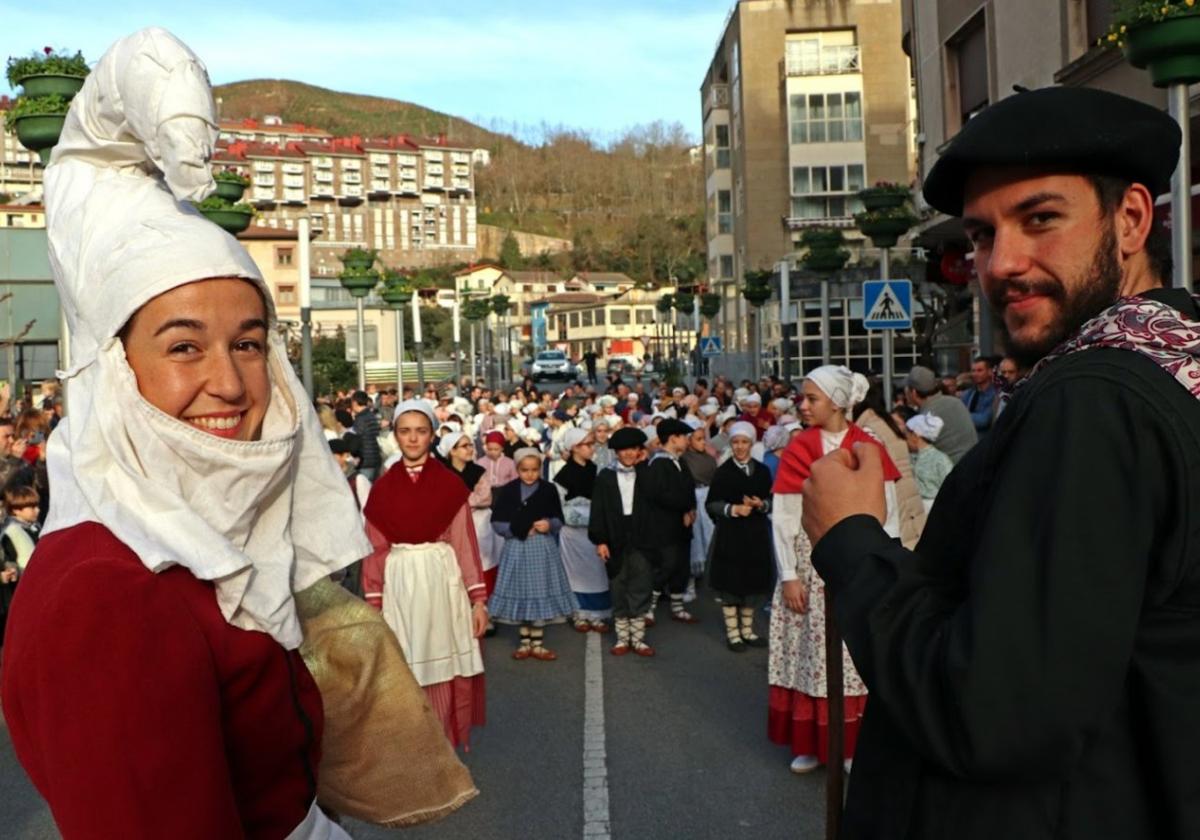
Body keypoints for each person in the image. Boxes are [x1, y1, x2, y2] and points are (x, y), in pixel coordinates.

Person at [0, 29, 374, 838]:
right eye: (182, 346)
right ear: (116, 370)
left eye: (248, 341)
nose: (232, 383)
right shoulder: (110, 596)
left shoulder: (197, 535)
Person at [802, 86, 1200, 839]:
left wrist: (852, 540)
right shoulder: (1173, 363)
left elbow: (996, 713)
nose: (1002, 263)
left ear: (1132, 219)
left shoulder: (1096, 399)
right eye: (982, 235)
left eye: (1040, 219)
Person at [768, 366, 901, 775]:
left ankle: (849, 744)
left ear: (838, 402)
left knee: (854, 655)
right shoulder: (800, 447)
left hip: (861, 557)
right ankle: (810, 741)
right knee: (808, 654)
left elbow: (889, 510)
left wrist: (885, 564)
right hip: (811, 561)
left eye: (812, 399)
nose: (803, 405)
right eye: (802, 398)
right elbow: (785, 517)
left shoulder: (868, 445)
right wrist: (788, 573)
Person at [362, 401, 488, 748]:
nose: (413, 439)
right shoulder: (383, 489)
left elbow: (465, 544)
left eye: (420, 431)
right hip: (401, 582)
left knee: (444, 663)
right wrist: (374, 600)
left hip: (441, 579)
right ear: (395, 436)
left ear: (432, 435)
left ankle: (444, 745)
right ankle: (415, 749)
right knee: (405, 663)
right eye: (405, 431)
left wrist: (478, 600)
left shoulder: (449, 485)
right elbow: (375, 549)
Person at [488, 448, 577, 660]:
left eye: (534, 470)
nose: (530, 475)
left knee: (539, 588)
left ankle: (537, 642)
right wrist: (515, 530)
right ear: (517, 469)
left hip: (541, 546)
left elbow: (558, 517)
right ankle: (524, 641)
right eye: (525, 470)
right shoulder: (509, 491)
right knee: (521, 589)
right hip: (517, 546)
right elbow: (497, 521)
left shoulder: (548, 490)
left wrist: (549, 524)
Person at [705, 422, 773, 652]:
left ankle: (748, 630)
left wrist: (760, 504)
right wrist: (733, 509)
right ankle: (733, 633)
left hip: (755, 534)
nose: (740, 447)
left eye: (744, 442)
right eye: (736, 442)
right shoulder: (723, 472)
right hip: (731, 535)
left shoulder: (763, 471)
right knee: (731, 582)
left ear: (752, 444)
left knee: (752, 581)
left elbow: (772, 500)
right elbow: (712, 504)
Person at [589, 427, 656, 656]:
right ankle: (621, 638)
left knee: (641, 582)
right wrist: (600, 540)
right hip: (615, 534)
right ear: (616, 452)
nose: (628, 454)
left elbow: (657, 500)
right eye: (623, 450)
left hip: (641, 535)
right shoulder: (606, 477)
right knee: (618, 584)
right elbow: (597, 510)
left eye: (633, 449)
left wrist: (644, 466)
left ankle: (637, 639)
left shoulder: (646, 473)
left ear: (640, 451)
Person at [852, 382, 926, 549]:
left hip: (897, 495)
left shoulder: (868, 429)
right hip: (907, 491)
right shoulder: (882, 420)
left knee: (906, 546)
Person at [553, 428, 611, 633]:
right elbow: (558, 505)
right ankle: (578, 613)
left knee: (596, 572)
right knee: (575, 573)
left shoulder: (596, 469)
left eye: (592, 443)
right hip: (573, 533)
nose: (592, 448)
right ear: (574, 448)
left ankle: (596, 614)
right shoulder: (563, 475)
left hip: (595, 531)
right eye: (587, 444)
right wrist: (580, 516)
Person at [641, 418, 699, 624]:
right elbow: (659, 494)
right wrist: (683, 508)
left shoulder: (680, 461)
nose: (686, 440)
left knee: (681, 566)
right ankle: (649, 607)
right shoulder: (659, 463)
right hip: (665, 525)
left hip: (682, 526)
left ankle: (677, 606)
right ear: (673, 439)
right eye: (683, 436)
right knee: (666, 564)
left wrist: (691, 509)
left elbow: (689, 487)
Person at [903, 365, 977, 463]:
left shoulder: (925, 419)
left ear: (914, 392)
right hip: (975, 465)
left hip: (951, 472)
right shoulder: (955, 402)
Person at [681, 419, 718, 594]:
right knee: (693, 539)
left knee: (710, 537)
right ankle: (689, 583)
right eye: (698, 439)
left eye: (703, 438)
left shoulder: (709, 459)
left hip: (708, 498)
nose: (703, 442)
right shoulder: (683, 460)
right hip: (692, 499)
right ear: (689, 440)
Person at [903, 414, 952, 512]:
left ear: (915, 436)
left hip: (934, 509)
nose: (904, 440)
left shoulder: (940, 459)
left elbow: (950, 488)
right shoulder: (909, 456)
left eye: (906, 435)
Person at [958, 356, 997, 435]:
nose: (975, 374)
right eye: (973, 371)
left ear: (990, 372)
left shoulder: (996, 394)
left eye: (979, 370)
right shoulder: (968, 393)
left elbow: (984, 420)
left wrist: (962, 417)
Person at [349, 390, 382, 480]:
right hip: (375, 457)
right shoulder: (372, 416)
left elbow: (357, 440)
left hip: (365, 460)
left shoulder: (360, 419)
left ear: (355, 402)